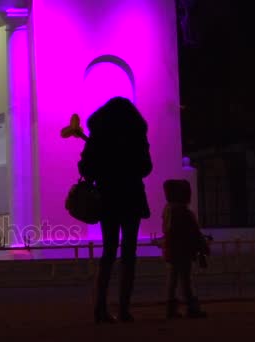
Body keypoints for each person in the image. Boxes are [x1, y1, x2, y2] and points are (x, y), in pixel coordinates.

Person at [78, 97, 152, 323]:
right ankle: (124, 309)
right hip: (131, 196)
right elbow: (146, 166)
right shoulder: (136, 134)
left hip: (107, 197)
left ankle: (100, 308)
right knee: (129, 254)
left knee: (108, 252)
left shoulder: (99, 135)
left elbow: (85, 166)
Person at [161, 179, 208, 319]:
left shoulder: (168, 211)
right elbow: (194, 232)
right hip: (184, 252)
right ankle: (192, 308)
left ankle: (171, 309)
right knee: (186, 280)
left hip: (171, 251)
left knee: (172, 280)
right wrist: (202, 247)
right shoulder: (185, 212)